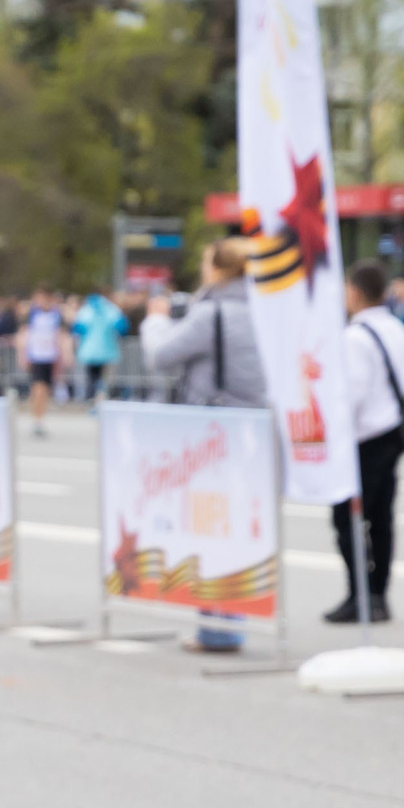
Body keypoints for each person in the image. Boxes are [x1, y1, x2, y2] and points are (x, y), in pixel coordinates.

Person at [142, 239, 268, 651]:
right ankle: (230, 621)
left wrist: (156, 321)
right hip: (253, 430)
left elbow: (161, 355)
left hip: (211, 432)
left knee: (210, 524)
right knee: (235, 525)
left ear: (216, 268)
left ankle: (219, 626)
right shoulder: (264, 310)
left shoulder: (210, 311)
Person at [328, 261, 404, 623]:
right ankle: (378, 593)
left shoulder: (355, 336)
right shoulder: (395, 326)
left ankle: (359, 593)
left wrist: (335, 433)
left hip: (364, 436)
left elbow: (353, 393)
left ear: (355, 291)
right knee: (382, 517)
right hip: (392, 430)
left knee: (347, 517)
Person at [22, 288, 66, 434]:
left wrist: (61, 355)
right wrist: (24, 354)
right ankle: (36, 417)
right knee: (37, 388)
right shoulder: (32, 314)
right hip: (36, 356)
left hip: (50, 356)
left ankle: (41, 418)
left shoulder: (55, 314)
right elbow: (26, 335)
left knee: (45, 389)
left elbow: (58, 335)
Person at [73, 288, 127, 402]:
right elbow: (122, 328)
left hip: (89, 352)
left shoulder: (86, 310)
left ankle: (92, 398)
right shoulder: (111, 309)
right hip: (108, 351)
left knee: (92, 377)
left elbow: (77, 329)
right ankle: (102, 397)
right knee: (105, 380)